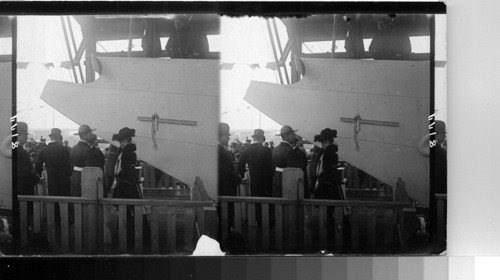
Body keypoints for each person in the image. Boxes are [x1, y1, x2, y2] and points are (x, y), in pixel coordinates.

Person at [111, 127, 150, 249]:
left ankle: (140, 237)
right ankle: (126, 236)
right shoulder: (122, 152)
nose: (121, 144)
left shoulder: (131, 154)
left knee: (135, 210)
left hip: (128, 187)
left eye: (124, 142)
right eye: (120, 142)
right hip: (122, 186)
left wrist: (127, 180)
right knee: (125, 211)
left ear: (129, 141)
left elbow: (129, 172)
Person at [34, 128, 71, 226]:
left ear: (50, 137)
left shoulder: (43, 150)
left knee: (54, 201)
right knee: (66, 201)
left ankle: (56, 221)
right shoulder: (64, 149)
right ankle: (67, 221)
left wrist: (38, 177)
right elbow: (69, 166)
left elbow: (37, 166)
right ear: (59, 137)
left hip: (52, 180)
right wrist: (68, 176)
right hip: (64, 180)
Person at [16, 122, 41, 233]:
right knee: (23, 214)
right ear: (18, 135)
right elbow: (24, 172)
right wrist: (37, 179)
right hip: (22, 188)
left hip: (20, 187)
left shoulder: (16, 149)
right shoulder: (18, 151)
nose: (26, 137)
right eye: (24, 135)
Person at [237, 129, 273, 197]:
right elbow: (271, 167)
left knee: (256, 202)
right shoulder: (267, 150)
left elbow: (240, 166)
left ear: (253, 138)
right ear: (262, 139)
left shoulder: (246, 150)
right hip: (267, 182)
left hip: (254, 181)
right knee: (268, 203)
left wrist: (243, 176)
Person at [313, 128, 343, 200]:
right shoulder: (323, 153)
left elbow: (329, 171)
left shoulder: (331, 154)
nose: (323, 144)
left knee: (328, 206)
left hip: (328, 185)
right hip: (322, 183)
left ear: (330, 142)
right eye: (322, 142)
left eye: (325, 142)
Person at [272, 125, 301, 197]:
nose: (294, 136)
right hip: (286, 179)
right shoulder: (290, 150)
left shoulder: (275, 149)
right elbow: (293, 169)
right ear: (288, 136)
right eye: (293, 134)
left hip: (276, 178)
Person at [69, 124, 95, 197]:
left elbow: (70, 165)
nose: (91, 136)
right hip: (85, 179)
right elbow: (90, 169)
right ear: (85, 135)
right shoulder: (89, 150)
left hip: (74, 177)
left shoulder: (73, 148)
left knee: (76, 201)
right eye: (90, 134)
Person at [218, 123, 241, 196]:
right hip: (225, 191)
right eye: (227, 135)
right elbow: (226, 173)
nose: (228, 138)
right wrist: (239, 179)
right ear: (220, 136)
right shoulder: (220, 151)